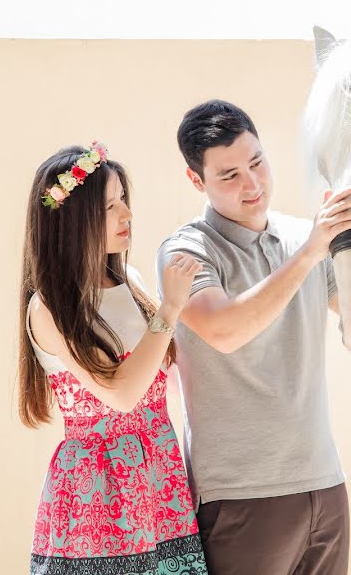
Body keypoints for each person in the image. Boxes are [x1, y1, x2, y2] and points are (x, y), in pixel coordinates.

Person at [156, 101, 351, 574]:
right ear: (196, 181)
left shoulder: (304, 237)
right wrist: (309, 252)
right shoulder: (186, 250)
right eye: (230, 175)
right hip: (241, 496)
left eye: (257, 162)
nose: (253, 184)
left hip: (324, 484)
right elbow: (224, 330)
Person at [18, 142, 209, 574]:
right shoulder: (48, 308)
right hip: (97, 490)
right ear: (71, 220)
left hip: (157, 474)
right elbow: (121, 394)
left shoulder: (132, 281)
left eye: (124, 200)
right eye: (110, 206)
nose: (126, 214)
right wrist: (170, 309)